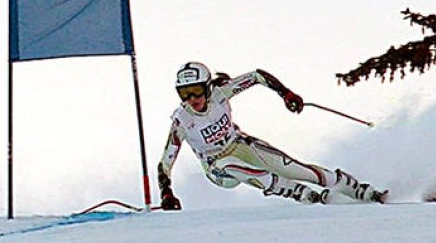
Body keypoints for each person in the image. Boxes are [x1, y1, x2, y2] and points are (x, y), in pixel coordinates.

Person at [157, 61, 387, 210]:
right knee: (232, 164)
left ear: (207, 87)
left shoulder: (220, 93)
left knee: (295, 168)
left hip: (241, 145)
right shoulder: (182, 121)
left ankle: (359, 190)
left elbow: (257, 76)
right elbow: (165, 163)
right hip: (217, 167)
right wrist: (167, 193)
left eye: (195, 90)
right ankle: (298, 193)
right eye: (184, 93)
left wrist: (286, 94)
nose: (191, 99)